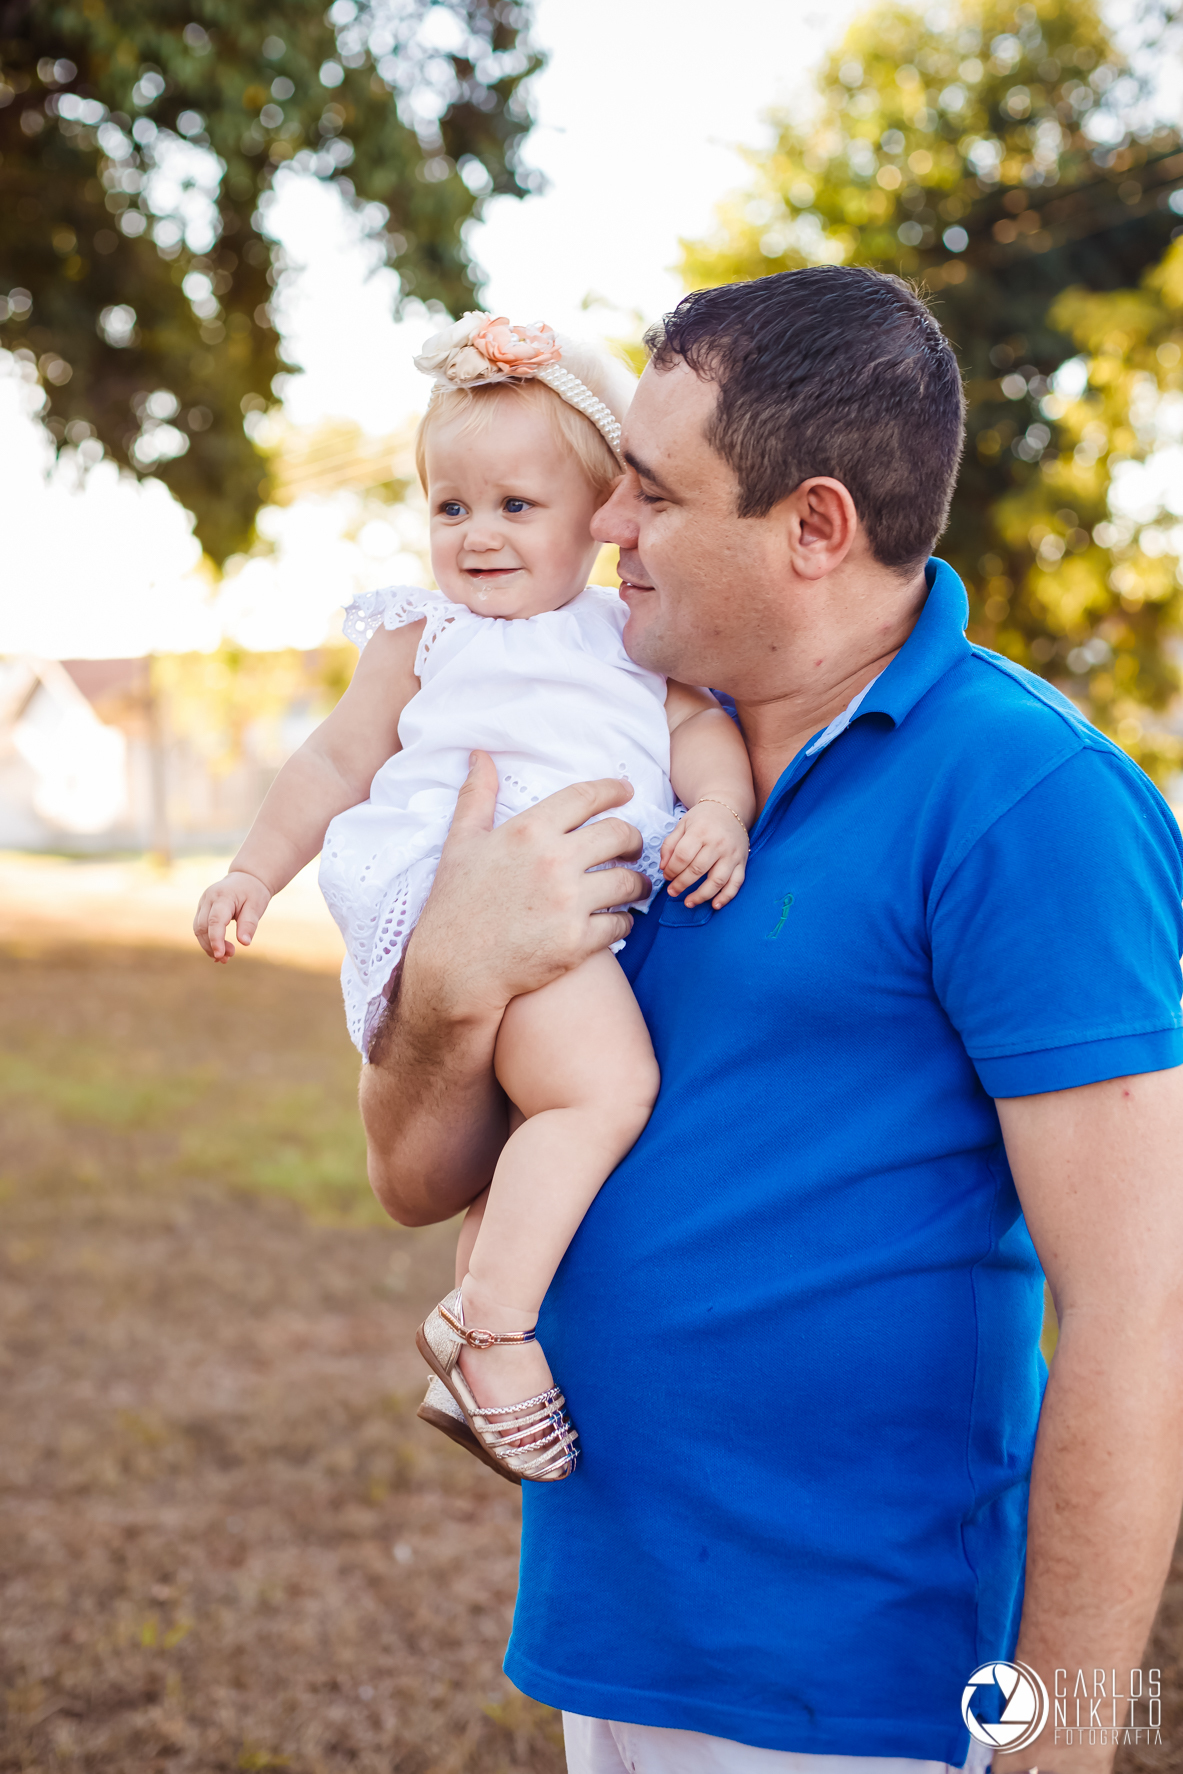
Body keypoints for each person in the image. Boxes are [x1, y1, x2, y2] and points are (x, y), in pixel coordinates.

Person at [358, 267, 1183, 1774]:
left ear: (813, 526)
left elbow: (1135, 1318)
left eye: (652, 493)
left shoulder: (1029, 800)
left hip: (860, 1682)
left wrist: (1057, 1745)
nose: (602, 522)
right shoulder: (600, 749)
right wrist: (454, 976)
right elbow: (413, 1179)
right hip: (606, 1632)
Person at [192, 313, 754, 1484]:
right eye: (451, 507)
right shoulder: (419, 632)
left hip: (557, 908)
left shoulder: (627, 639)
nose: (476, 536)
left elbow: (698, 729)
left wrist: (718, 812)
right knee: (607, 1089)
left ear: (601, 515)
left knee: (520, 1130)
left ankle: (481, 1286)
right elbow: (334, 762)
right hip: (469, 900)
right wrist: (253, 869)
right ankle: (485, 1331)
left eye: (515, 507)